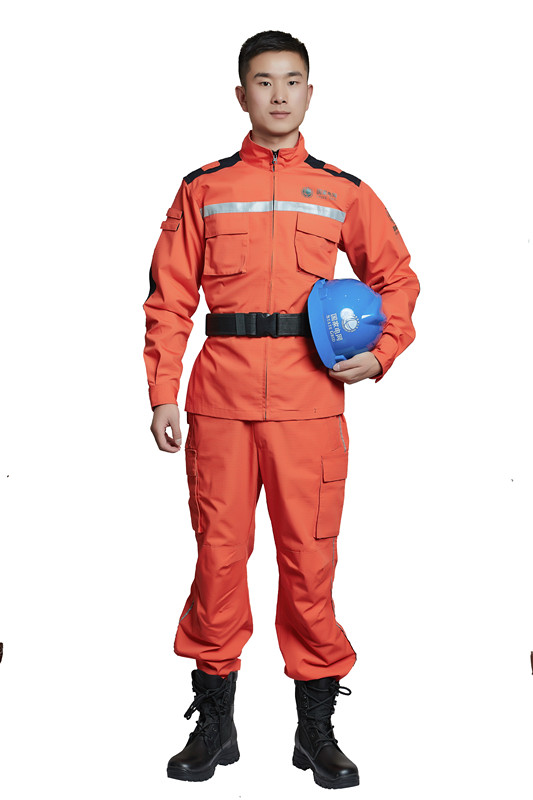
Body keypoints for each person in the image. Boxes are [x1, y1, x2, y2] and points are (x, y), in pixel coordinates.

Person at [143, 30, 419, 790]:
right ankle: (216, 724)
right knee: (218, 559)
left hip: (309, 406)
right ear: (241, 94)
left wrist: (383, 350)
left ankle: (315, 730)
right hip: (221, 404)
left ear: (309, 93)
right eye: (263, 82)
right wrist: (162, 391)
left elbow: (396, 278)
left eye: (291, 81)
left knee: (309, 562)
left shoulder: (342, 191)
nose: (277, 95)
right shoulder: (204, 188)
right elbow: (169, 298)